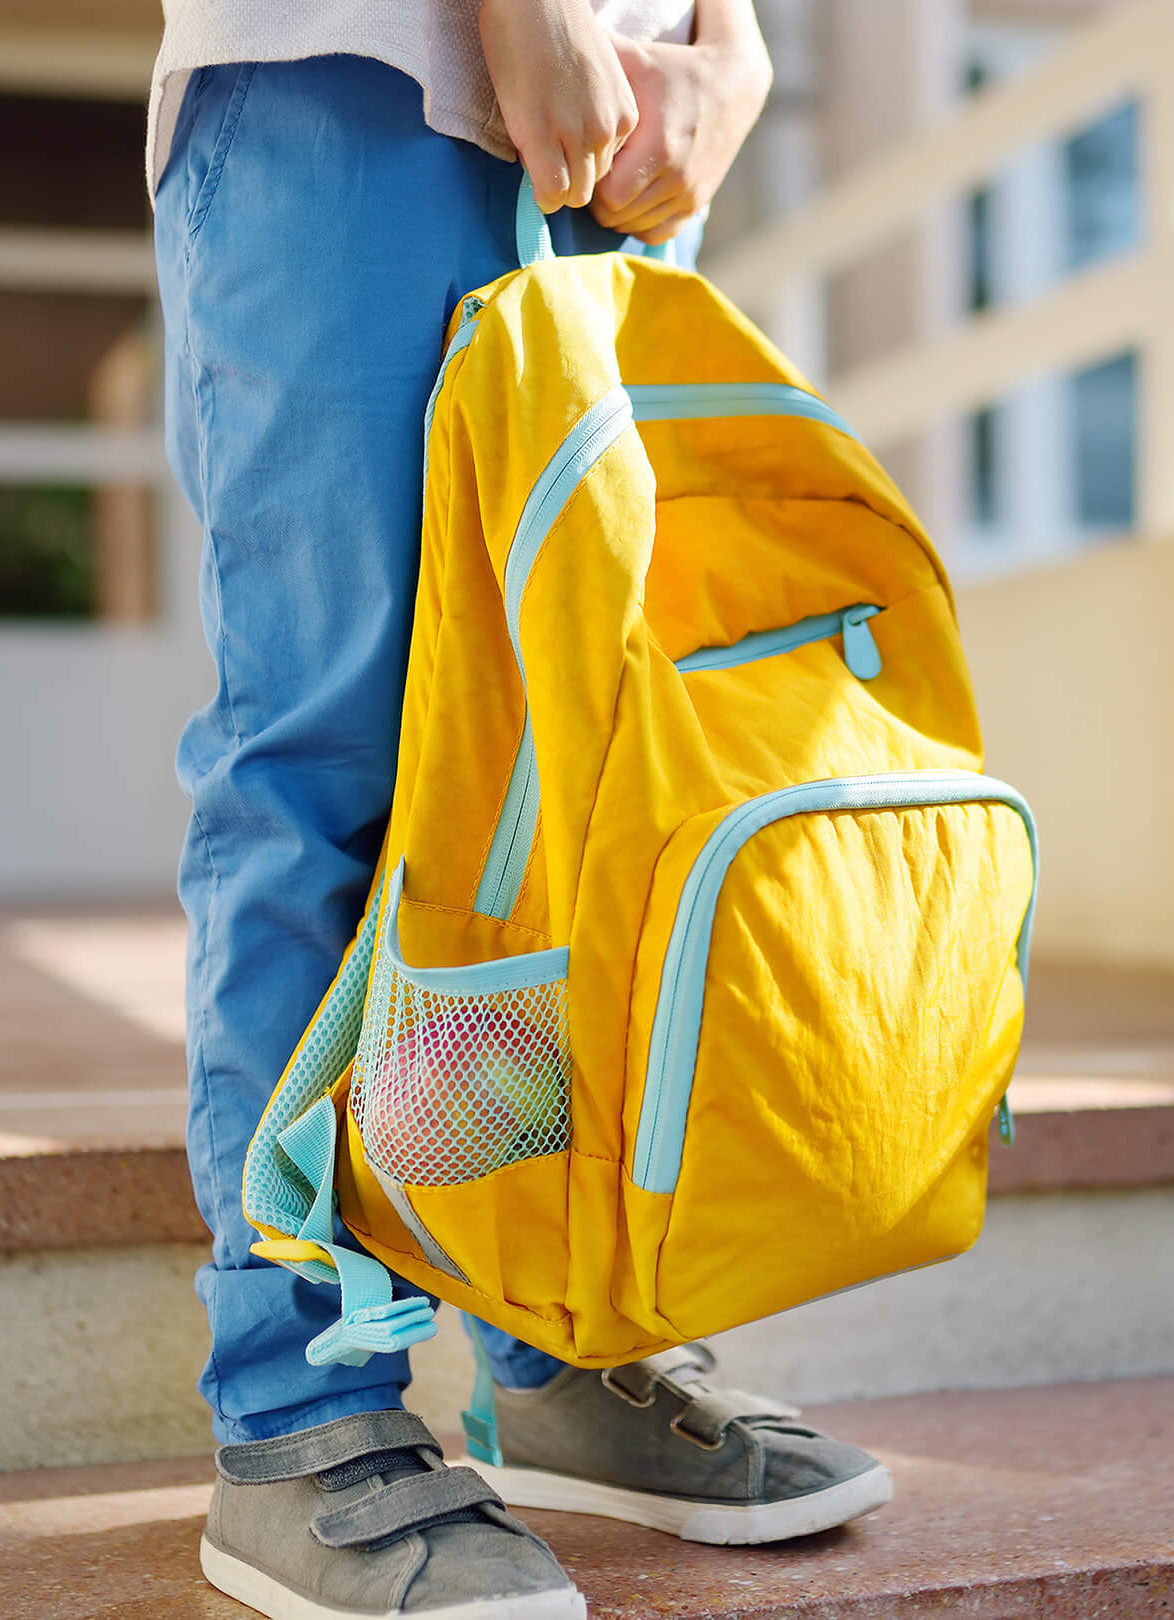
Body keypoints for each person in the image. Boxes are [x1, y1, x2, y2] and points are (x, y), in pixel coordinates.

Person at [151, 3, 889, 1613]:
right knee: (327, 754)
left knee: (563, 781)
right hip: (353, 82)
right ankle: (298, 1411)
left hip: (620, 124)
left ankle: (556, 1342)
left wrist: (729, 38)